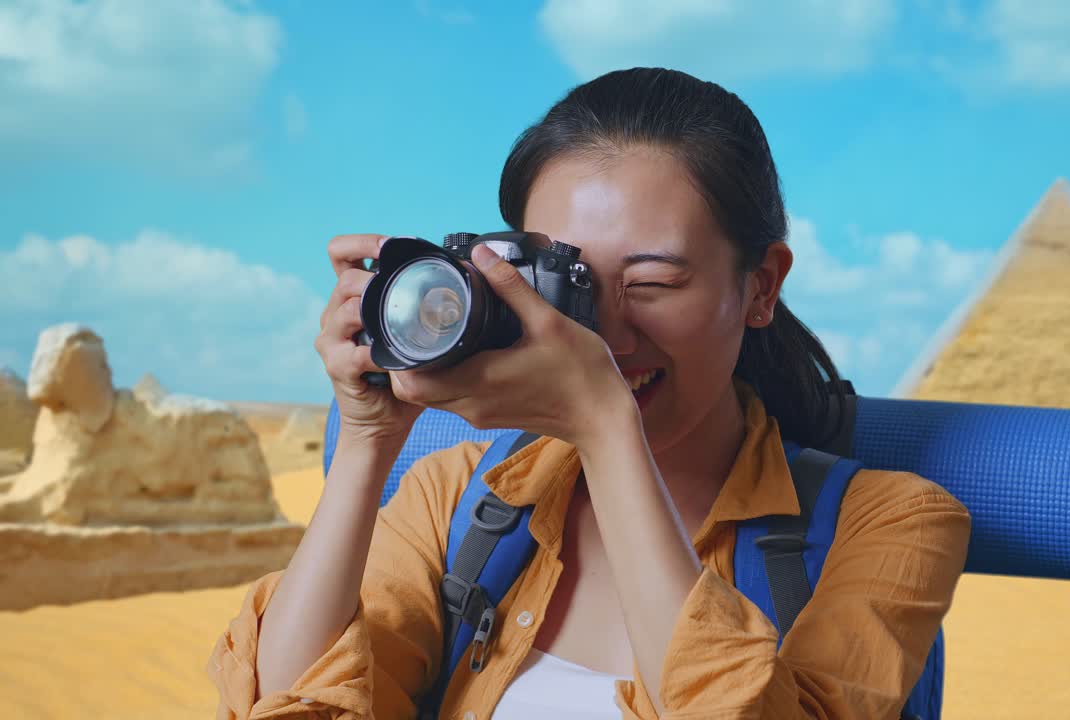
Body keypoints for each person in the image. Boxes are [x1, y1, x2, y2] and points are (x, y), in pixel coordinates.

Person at [207, 67, 971, 720]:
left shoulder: (894, 524)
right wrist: (369, 437)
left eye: (652, 283)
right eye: (562, 282)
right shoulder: (458, 503)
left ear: (761, 286)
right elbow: (297, 703)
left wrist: (608, 428)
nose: (600, 331)